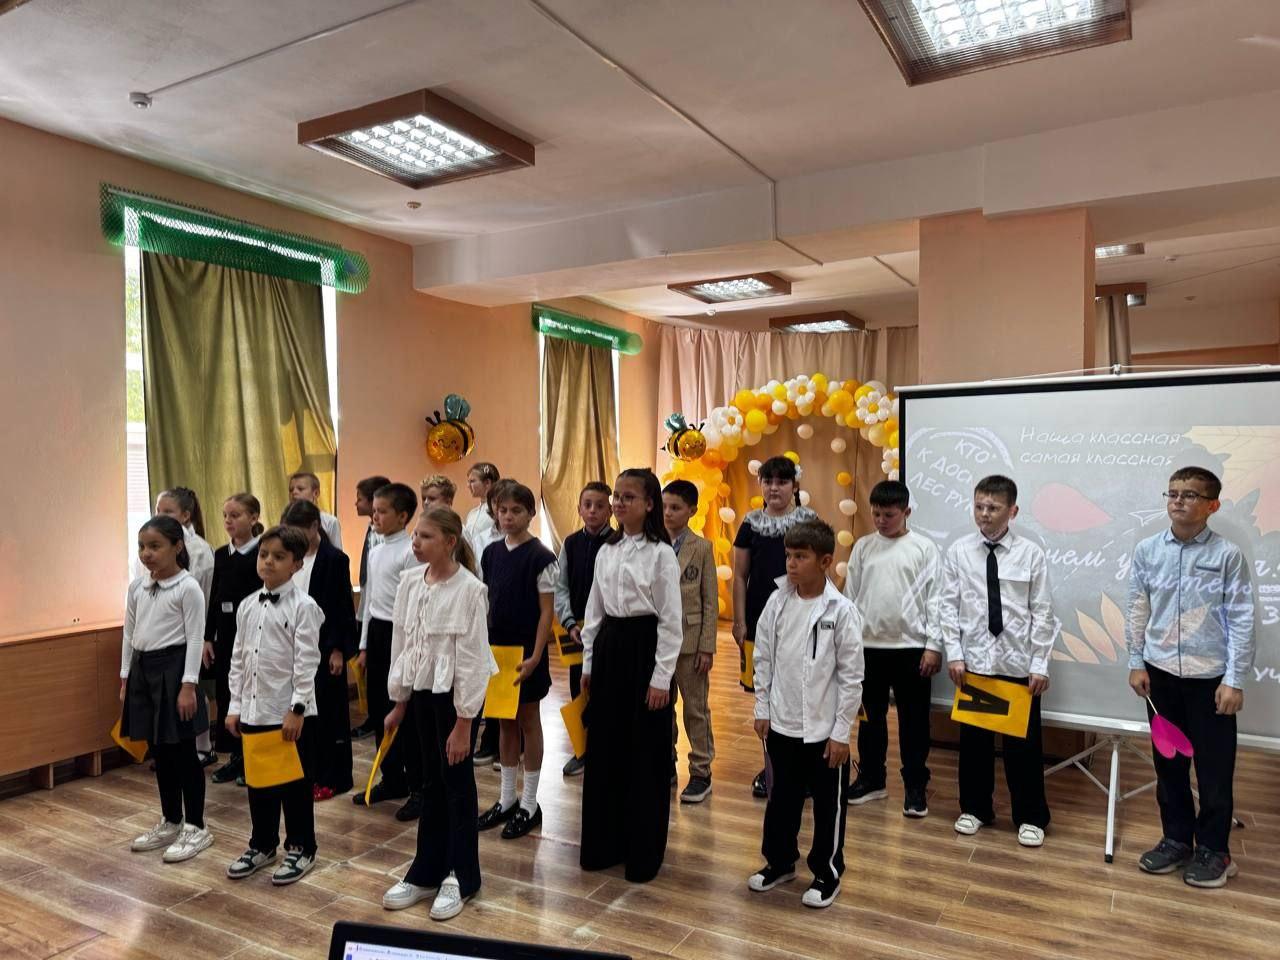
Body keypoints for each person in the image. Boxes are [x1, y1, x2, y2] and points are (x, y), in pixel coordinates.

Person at [1126, 466, 1255, 888]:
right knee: (1169, 766)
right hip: (1160, 677)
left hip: (1210, 680)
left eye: (1190, 495)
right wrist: (1136, 661)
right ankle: (1176, 840)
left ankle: (1215, 850)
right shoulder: (1148, 550)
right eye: (1173, 493)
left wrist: (1234, 679)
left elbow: (1241, 618)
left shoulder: (1227, 555)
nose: (1178, 501)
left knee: (1214, 771)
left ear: (1212, 505)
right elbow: (1138, 607)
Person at [381, 507, 497, 922]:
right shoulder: (411, 582)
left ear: (450, 542)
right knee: (429, 781)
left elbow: (472, 661)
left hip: (456, 699)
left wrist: (465, 724)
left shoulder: (470, 590)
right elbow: (404, 643)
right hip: (423, 693)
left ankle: (461, 875)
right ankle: (426, 869)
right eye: (415, 535)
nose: (416, 543)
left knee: (457, 784)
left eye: (426, 536)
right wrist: (399, 701)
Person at [749, 519, 863, 909]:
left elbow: (851, 677)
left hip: (824, 731)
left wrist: (841, 732)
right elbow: (763, 658)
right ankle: (779, 861)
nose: (792, 564)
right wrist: (762, 706)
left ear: (825, 561)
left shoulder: (841, 611)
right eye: (788, 555)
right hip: (782, 724)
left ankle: (827, 873)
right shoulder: (777, 602)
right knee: (781, 799)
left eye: (801, 556)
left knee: (829, 807)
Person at [941, 475, 1057, 848]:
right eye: (979, 506)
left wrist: (1040, 663)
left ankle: (1031, 816)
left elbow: (1042, 611)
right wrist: (954, 653)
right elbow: (948, 605)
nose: (984, 514)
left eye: (993, 507)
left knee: (1022, 747)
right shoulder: (959, 551)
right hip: (974, 662)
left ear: (1013, 511)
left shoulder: (1031, 554)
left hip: (1017, 663)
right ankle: (975, 808)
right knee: (974, 743)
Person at [579, 469, 682, 883]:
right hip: (610, 650)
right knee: (606, 749)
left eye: (628, 497)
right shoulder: (607, 550)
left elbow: (671, 621)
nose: (619, 503)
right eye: (617, 497)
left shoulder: (660, 554)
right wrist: (589, 663)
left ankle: (643, 851)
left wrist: (661, 678)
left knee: (644, 754)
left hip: (645, 650)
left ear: (649, 504)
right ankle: (605, 844)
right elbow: (594, 611)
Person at [223, 525, 323, 885]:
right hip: (255, 710)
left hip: (289, 714)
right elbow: (238, 659)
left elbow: (306, 662)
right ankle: (262, 844)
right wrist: (235, 705)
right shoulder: (248, 605)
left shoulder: (304, 607)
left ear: (296, 564)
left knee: (295, 786)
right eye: (264, 555)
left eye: (279, 557)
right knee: (259, 784)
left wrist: (296, 708)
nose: (268, 561)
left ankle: (302, 847)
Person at [842, 479, 942, 817]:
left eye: (889, 515)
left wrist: (933, 646)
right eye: (876, 514)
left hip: (912, 649)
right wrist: (849, 643)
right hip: (868, 648)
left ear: (906, 512)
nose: (881, 521)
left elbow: (936, 600)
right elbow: (850, 598)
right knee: (870, 719)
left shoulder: (924, 549)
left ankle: (915, 785)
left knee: (914, 722)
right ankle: (872, 778)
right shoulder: (863, 547)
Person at [120, 515, 214, 864]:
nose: (147, 553)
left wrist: (188, 685)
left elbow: (195, 639)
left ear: (177, 547)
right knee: (159, 751)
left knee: (184, 752)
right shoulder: (137, 587)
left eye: (155, 546)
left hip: (175, 672)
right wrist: (126, 676)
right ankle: (171, 819)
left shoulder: (187, 588)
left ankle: (196, 825)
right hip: (144, 671)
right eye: (142, 547)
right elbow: (129, 633)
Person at [476, 482, 557, 840]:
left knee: (528, 721)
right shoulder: (491, 552)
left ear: (530, 513)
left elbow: (546, 612)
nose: (507, 517)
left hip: (526, 652)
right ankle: (507, 798)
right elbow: (487, 603)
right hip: (497, 651)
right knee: (504, 723)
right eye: (502, 510)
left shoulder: (541, 557)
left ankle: (529, 802)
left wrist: (536, 655)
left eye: (516, 511)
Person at [733, 456, 818, 797]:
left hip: (800, 621)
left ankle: (806, 768)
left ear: (794, 485)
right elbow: (739, 576)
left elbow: (819, 573)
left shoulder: (808, 522)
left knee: (801, 690)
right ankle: (771, 766)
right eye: (768, 481)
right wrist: (739, 621)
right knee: (766, 694)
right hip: (759, 622)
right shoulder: (750, 524)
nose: (774, 488)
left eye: (782, 482)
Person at [281, 499, 357, 799]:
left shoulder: (334, 559)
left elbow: (341, 607)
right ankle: (308, 773)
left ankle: (335, 777)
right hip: (295, 647)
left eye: (298, 531)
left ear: (314, 526)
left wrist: (338, 649)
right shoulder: (292, 558)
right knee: (305, 715)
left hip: (325, 648)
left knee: (330, 715)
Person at [355, 482, 423, 818]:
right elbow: (369, 601)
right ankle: (392, 776)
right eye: (374, 511)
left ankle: (419, 786)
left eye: (382, 512)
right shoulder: (376, 550)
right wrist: (364, 645)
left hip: (403, 634)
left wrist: (408, 647)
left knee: (404, 711)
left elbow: (414, 602)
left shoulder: (410, 552)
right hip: (379, 634)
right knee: (381, 707)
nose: (375, 517)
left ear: (403, 516)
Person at [150, 487, 217, 765]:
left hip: (190, 628)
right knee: (168, 691)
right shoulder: (155, 544)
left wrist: (204, 636)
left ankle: (202, 747)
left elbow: (205, 594)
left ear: (186, 515)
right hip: (163, 631)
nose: (160, 515)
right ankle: (172, 746)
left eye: (168, 511)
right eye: (158, 510)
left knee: (192, 686)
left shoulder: (199, 549)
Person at [662, 479, 718, 803]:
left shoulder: (702, 548)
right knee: (661, 707)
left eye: (676, 507)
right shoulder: (652, 544)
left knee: (695, 709)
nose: (668, 513)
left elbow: (710, 601)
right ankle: (665, 762)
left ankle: (700, 771)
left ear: (692, 510)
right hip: (659, 643)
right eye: (664, 506)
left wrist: (706, 647)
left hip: (690, 642)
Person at [552, 481, 613, 777]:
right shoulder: (571, 543)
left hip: (608, 632)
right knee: (579, 690)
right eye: (587, 505)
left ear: (610, 511)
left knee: (608, 690)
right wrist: (567, 622)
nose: (592, 511)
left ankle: (606, 751)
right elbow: (560, 586)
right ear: (578, 508)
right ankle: (582, 750)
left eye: (600, 506)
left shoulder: (617, 542)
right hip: (575, 631)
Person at [207, 493, 264, 785]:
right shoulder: (221, 554)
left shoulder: (261, 553)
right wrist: (208, 637)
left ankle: (250, 758)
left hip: (253, 635)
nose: (228, 521)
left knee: (249, 693)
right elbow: (214, 598)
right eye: (225, 516)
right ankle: (234, 757)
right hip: (226, 636)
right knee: (227, 694)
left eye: (235, 515)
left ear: (253, 518)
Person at [465, 464, 504, 767]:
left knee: (504, 681)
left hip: (506, 616)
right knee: (486, 676)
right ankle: (490, 739)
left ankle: (505, 740)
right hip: (483, 610)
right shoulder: (475, 524)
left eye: (474, 480)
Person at [351, 475, 390, 741]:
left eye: (360, 499)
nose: (356, 504)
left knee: (383, 679)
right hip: (367, 609)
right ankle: (372, 717)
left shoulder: (387, 541)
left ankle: (379, 719)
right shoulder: (371, 532)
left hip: (384, 616)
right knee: (370, 675)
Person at [288, 471, 343, 552]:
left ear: (316, 493)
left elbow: (338, 555)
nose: (294, 492)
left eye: (300, 489)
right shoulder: (286, 522)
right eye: (291, 490)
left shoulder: (330, 522)